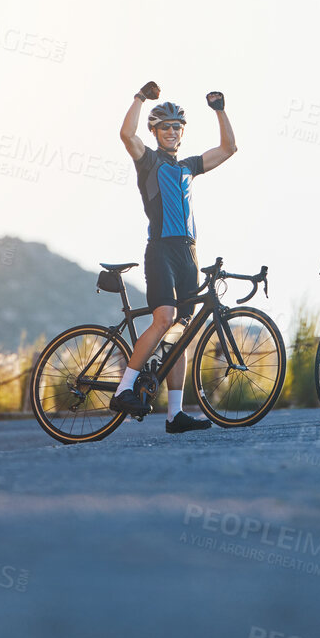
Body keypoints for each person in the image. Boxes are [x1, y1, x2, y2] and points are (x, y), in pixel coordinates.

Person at [110, 80, 237, 432]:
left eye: (176, 127)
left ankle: (175, 414)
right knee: (164, 319)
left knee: (181, 332)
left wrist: (220, 110)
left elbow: (229, 148)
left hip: (189, 254)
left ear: (182, 134)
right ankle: (123, 390)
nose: (171, 131)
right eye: (164, 126)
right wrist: (139, 98)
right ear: (155, 131)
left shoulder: (188, 167)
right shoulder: (148, 162)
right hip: (161, 251)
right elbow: (125, 134)